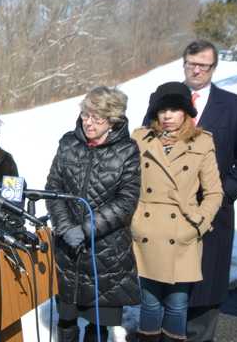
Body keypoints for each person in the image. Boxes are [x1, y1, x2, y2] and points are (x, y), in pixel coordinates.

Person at [143, 41, 237, 342]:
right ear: (184, 64)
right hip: (165, 218)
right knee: (164, 292)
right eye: (191, 64)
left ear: (213, 68)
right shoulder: (163, 99)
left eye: (204, 65)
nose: (197, 70)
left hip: (212, 217)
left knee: (205, 293)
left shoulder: (235, 106)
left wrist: (222, 195)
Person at [45, 86, 141, 342]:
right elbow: (54, 187)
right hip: (69, 250)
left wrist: (86, 229)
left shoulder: (127, 150)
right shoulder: (68, 142)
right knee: (66, 316)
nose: (88, 122)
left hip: (106, 251)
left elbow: (126, 200)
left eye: (97, 117)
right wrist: (65, 227)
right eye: (86, 115)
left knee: (97, 322)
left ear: (112, 120)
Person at [131, 82, 223, 341]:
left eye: (174, 109)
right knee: (149, 304)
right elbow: (126, 184)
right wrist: (135, 220)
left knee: (177, 304)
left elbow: (214, 192)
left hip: (182, 233)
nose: (167, 115)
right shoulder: (140, 139)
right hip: (147, 232)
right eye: (162, 110)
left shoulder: (203, 142)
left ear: (186, 112)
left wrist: (197, 224)